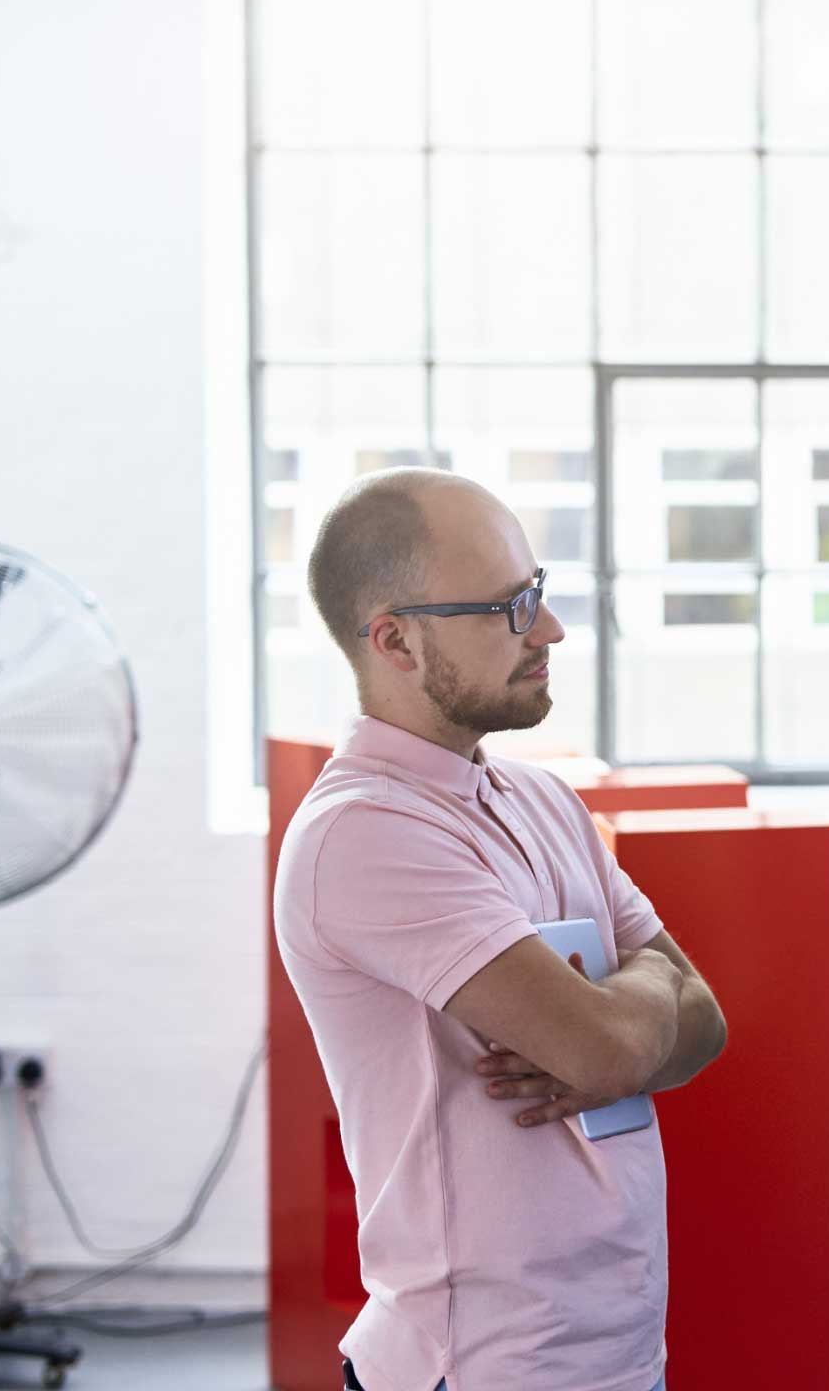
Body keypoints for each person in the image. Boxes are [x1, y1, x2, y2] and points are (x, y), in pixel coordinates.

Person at [273, 469, 727, 1391]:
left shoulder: (544, 802)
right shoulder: (362, 831)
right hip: (480, 1365)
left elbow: (707, 1023)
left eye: (540, 594)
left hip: (616, 1348)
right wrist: (632, 1011)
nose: (550, 631)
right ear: (394, 640)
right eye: (506, 609)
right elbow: (606, 1051)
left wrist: (621, 1025)